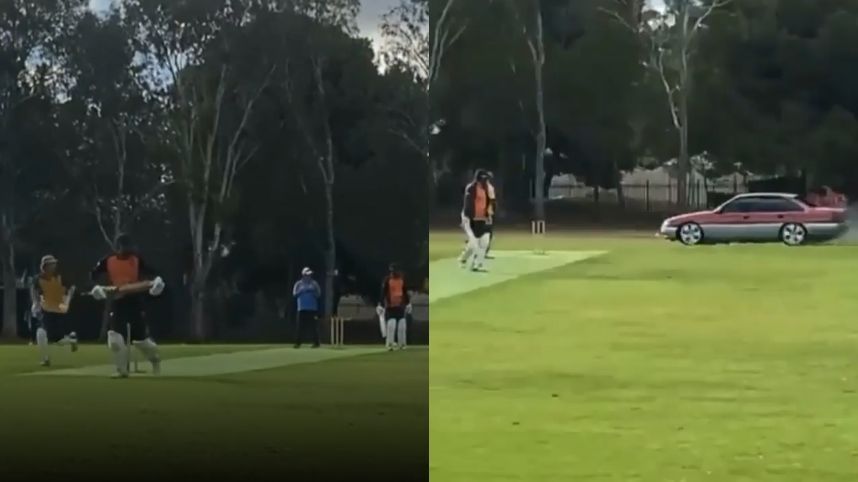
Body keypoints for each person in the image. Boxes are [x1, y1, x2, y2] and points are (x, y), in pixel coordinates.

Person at [90, 234, 165, 378]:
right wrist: (97, 288)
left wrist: (157, 282)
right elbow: (93, 275)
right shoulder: (107, 261)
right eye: (124, 248)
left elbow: (153, 273)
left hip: (135, 300)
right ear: (117, 248)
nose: (128, 252)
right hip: (117, 300)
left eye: (129, 248)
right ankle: (122, 370)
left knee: (141, 340)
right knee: (115, 339)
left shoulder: (137, 259)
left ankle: (155, 361)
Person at [30, 255, 78, 367]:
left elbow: (72, 288)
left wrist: (67, 301)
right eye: (51, 264)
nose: (53, 266)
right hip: (46, 309)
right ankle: (45, 358)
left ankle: (71, 340)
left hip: (58, 310)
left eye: (54, 264)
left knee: (58, 340)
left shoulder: (60, 277)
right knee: (41, 332)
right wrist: (35, 303)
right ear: (44, 266)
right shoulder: (37, 279)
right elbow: (34, 291)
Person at [458, 169, 493, 272]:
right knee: (473, 243)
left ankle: (476, 264)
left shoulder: (486, 189)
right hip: (469, 219)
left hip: (481, 218)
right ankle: (463, 258)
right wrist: (469, 219)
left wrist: (488, 215)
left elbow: (487, 203)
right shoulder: (471, 188)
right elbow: (468, 205)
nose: (486, 181)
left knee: (485, 241)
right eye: (485, 179)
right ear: (479, 179)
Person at [378, 263, 412, 351]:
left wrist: (408, 303)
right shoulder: (387, 280)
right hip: (390, 306)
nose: (393, 273)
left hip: (400, 306)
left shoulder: (402, 280)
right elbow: (383, 293)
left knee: (402, 325)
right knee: (391, 324)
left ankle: (402, 344)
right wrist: (380, 304)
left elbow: (405, 292)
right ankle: (390, 343)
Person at [292, 267, 321, 348]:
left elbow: (318, 294)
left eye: (310, 275)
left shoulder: (314, 283)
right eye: (307, 275)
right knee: (300, 327)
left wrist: (312, 291)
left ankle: (316, 343)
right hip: (301, 308)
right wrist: (302, 291)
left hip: (312, 308)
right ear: (303, 275)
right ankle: (298, 343)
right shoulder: (298, 284)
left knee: (313, 326)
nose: (309, 277)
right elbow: (294, 294)